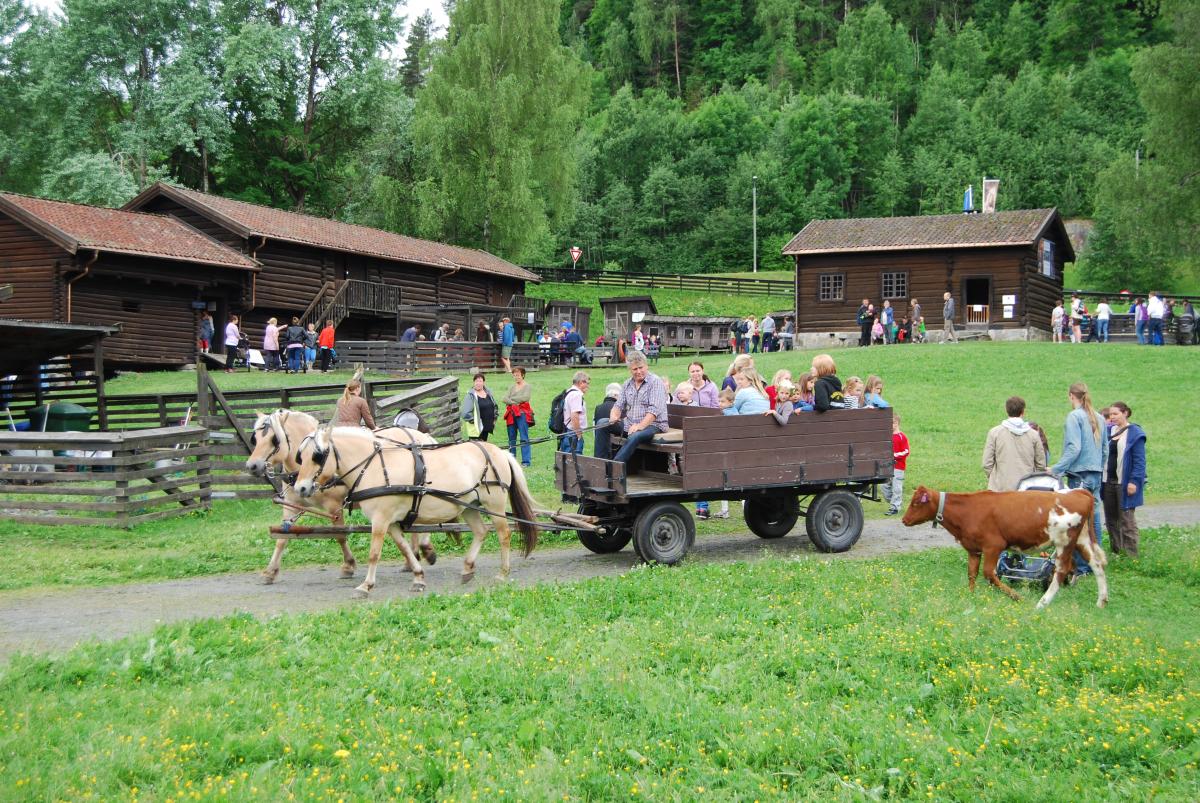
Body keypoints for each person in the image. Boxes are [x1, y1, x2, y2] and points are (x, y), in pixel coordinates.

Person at [1050, 381, 1108, 572]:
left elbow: (1074, 448)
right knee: (1095, 518)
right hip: (1096, 474)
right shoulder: (1099, 417)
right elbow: (1105, 450)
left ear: (1071, 396)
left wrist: (1057, 468)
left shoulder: (1074, 417)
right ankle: (1096, 559)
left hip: (1079, 475)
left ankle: (1083, 565)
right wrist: (1098, 467)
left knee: (1079, 522)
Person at [608, 351, 669, 466]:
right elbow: (618, 405)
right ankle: (599, 463)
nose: (638, 371)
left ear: (646, 366)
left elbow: (654, 411)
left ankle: (614, 468)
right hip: (631, 424)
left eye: (641, 367)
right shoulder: (627, 384)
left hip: (654, 425)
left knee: (635, 435)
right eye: (634, 369)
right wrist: (613, 416)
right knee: (603, 424)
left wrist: (639, 426)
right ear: (630, 370)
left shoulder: (655, 382)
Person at [1104, 401, 1146, 557]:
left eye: (1115, 414)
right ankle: (1117, 551)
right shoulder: (1109, 431)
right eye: (1110, 414)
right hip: (1108, 482)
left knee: (1126, 520)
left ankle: (1131, 555)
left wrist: (1134, 481)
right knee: (1111, 520)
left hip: (1125, 482)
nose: (1112, 417)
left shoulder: (1135, 434)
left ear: (1125, 413)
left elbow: (1140, 461)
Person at [982, 396, 1047, 492]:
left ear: (1006, 410)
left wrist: (995, 479)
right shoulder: (1033, 435)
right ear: (1023, 411)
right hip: (1026, 488)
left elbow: (987, 463)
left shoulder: (994, 433)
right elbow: (1041, 464)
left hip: (1000, 489)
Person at [502, 367, 534, 466]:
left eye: (518, 375)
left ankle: (526, 461)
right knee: (511, 438)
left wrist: (511, 400)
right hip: (511, 414)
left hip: (522, 414)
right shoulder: (512, 387)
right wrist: (515, 402)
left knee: (524, 437)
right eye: (514, 375)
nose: (516, 377)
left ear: (523, 375)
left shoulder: (527, 386)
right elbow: (504, 398)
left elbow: (525, 398)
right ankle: (512, 461)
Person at [883, 412, 909, 515]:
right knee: (884, 486)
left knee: (896, 487)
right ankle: (894, 502)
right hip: (888, 467)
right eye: (889, 423)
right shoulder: (888, 436)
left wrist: (894, 455)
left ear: (897, 423)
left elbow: (906, 451)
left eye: (893, 423)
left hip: (898, 467)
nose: (891, 425)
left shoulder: (902, 437)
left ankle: (895, 507)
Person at [460, 372, 497, 441]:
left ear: (483, 382)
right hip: (476, 430)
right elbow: (465, 413)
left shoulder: (488, 393)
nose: (478, 383)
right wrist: (476, 422)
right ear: (474, 382)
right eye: (476, 381)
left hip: (486, 427)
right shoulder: (470, 395)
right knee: (475, 449)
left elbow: (494, 406)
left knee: (483, 448)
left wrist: (494, 419)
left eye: (480, 381)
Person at [559, 371, 589, 454]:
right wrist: (579, 435)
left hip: (567, 431)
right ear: (581, 382)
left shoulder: (569, 392)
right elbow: (574, 416)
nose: (588, 386)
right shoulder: (576, 395)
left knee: (566, 462)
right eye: (587, 383)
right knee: (574, 462)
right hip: (573, 434)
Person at [593, 382, 622, 459]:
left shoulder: (598, 408)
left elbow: (595, 429)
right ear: (616, 395)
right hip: (614, 448)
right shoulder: (618, 408)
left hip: (601, 447)